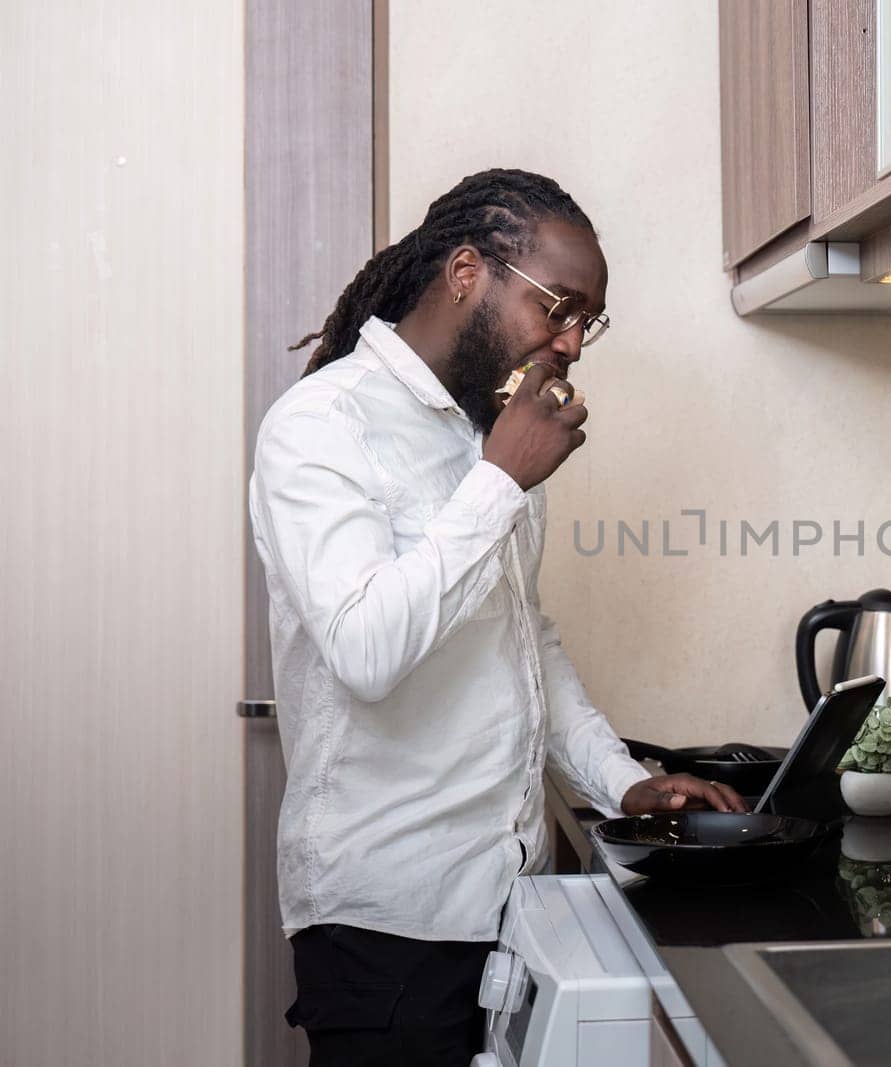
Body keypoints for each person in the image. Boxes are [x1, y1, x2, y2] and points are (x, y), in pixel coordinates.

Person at [249, 168, 746, 1065]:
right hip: (386, 929)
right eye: (559, 307)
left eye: (585, 320)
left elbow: (524, 642)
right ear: (468, 271)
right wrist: (500, 480)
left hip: (512, 907)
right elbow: (365, 649)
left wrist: (620, 781)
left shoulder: (485, 436)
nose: (572, 342)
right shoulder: (322, 425)